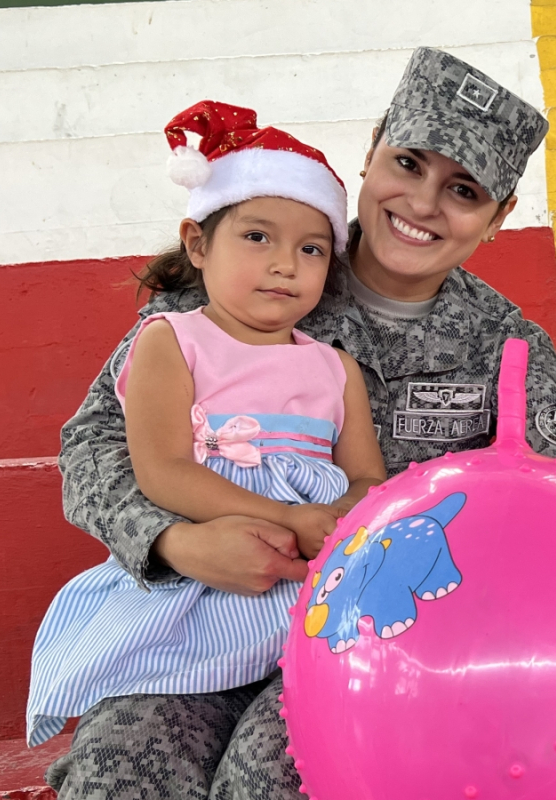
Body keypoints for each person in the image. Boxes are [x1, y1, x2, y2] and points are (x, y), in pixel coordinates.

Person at [51, 49, 556, 799]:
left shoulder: (504, 345)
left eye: (463, 190)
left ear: (500, 215)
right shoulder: (255, 264)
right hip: (192, 614)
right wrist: (175, 541)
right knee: (120, 771)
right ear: (372, 150)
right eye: (408, 163)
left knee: (275, 782)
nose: (421, 203)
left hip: (375, 651)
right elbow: (91, 446)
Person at [27, 101, 385, 749]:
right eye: (257, 237)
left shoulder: (337, 369)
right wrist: (283, 517)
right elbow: (162, 469)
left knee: (288, 751)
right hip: (190, 593)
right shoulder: (172, 340)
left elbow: (366, 480)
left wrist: (336, 518)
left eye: (310, 249)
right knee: (136, 750)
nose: (285, 264)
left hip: (307, 590)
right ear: (198, 243)